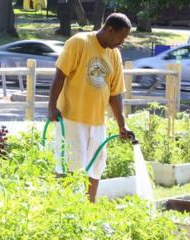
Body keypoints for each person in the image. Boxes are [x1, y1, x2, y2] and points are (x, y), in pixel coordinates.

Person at [47, 13, 133, 203]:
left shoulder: (114, 54)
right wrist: (52, 107)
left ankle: (88, 209)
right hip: (71, 118)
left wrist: (122, 125)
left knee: (96, 167)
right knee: (70, 166)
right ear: (110, 30)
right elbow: (59, 75)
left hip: (97, 121)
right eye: (121, 37)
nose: (122, 42)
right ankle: (65, 209)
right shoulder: (79, 42)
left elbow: (115, 93)